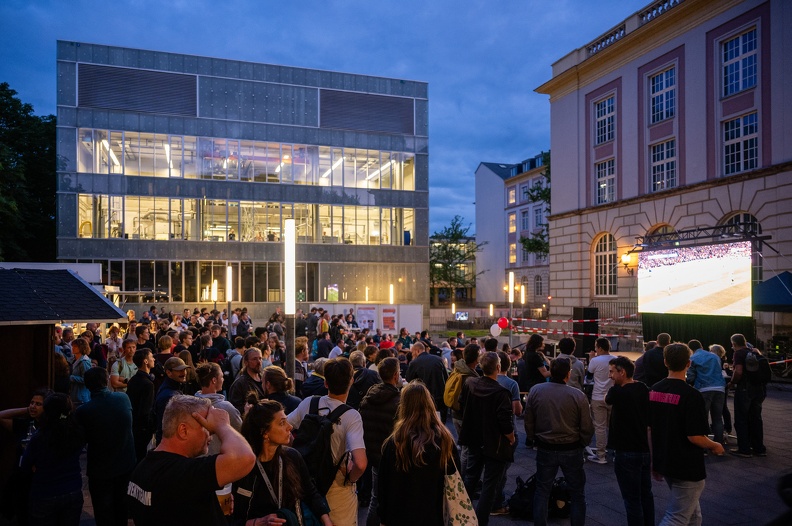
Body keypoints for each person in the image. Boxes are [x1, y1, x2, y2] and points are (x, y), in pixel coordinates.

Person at [127, 395, 256, 525]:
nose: (211, 435)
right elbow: (245, 457)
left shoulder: (141, 469)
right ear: (183, 430)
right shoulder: (183, 474)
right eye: (206, 427)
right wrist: (222, 425)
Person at [649, 343, 725, 525]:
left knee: (693, 515)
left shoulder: (654, 390)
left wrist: (654, 460)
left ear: (665, 362)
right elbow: (695, 436)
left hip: (665, 461)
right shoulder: (691, 396)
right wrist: (715, 445)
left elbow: (650, 428)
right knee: (677, 517)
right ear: (689, 364)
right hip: (687, 465)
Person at [287, 358, 367, 526]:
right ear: (351, 381)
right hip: (337, 489)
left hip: (306, 485)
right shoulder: (351, 416)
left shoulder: (309, 402)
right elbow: (360, 463)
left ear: (325, 383)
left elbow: (284, 428)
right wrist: (350, 480)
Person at [234, 400, 333, 526]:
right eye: (282, 423)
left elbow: (311, 493)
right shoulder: (243, 467)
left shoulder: (292, 457)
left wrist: (326, 519)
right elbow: (230, 518)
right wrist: (257, 522)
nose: (290, 426)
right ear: (265, 433)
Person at [377, 381, 461, 526]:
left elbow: (383, 485)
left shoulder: (395, 442)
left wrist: (383, 517)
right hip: (434, 514)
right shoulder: (444, 440)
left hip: (399, 515)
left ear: (404, 406)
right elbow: (455, 478)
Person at [524, 357, 593, 526]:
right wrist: (583, 443)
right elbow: (586, 426)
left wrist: (532, 438)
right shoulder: (578, 395)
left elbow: (528, 419)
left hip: (545, 446)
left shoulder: (536, 390)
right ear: (568, 374)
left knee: (542, 490)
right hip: (571, 447)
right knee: (577, 493)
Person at [459, 351, 516, 526]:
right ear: (498, 368)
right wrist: (511, 438)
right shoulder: (501, 392)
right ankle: (480, 521)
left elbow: (462, 404)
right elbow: (505, 423)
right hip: (495, 444)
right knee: (489, 486)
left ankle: (462, 515)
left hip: (474, 438)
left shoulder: (470, 383)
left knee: (470, 477)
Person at [74, 367, 136, 526]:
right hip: (125, 462)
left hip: (101, 468)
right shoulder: (123, 398)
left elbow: (81, 439)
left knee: (103, 511)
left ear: (87, 386)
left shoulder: (84, 411)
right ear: (107, 379)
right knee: (121, 506)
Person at [20, 393, 85, 526]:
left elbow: (25, 465)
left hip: (45, 493)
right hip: (73, 490)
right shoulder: (77, 432)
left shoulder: (40, 436)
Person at [606, 356, 653, 526]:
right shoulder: (642, 388)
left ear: (622, 372)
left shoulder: (616, 392)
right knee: (646, 495)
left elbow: (607, 399)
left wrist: (615, 385)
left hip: (625, 452)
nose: (610, 376)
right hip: (644, 450)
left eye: (612, 372)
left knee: (631, 499)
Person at [359, 357, 402, 526]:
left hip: (374, 457)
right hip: (393, 458)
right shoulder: (399, 402)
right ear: (396, 375)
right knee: (395, 499)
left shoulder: (368, 398)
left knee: (376, 499)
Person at [0, 389, 48, 525]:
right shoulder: (25, 424)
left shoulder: (49, 428)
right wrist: (27, 410)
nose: (33, 406)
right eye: (32, 402)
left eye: (38, 404)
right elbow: (1, 416)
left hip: (40, 480)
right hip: (22, 478)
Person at [727, 333, 767, 457]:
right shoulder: (754, 351)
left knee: (741, 419)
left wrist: (732, 382)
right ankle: (759, 448)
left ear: (734, 344)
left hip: (745, 389)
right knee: (756, 418)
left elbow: (738, 372)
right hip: (759, 388)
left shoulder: (739, 353)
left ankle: (744, 449)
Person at [194, 362, 242, 456]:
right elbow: (242, 433)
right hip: (221, 461)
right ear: (214, 380)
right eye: (222, 376)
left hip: (198, 462)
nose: (223, 379)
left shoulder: (192, 407)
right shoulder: (226, 408)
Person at [687, 339, 726, 447]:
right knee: (717, 418)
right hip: (719, 388)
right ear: (701, 346)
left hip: (704, 389)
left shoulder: (693, 358)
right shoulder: (715, 356)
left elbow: (691, 377)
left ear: (690, 349)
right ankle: (718, 444)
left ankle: (703, 446)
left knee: (702, 418)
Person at [405, 341, 449, 422]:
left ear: (417, 351)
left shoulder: (414, 363)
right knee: (440, 424)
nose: (412, 355)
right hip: (441, 398)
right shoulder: (438, 359)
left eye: (412, 352)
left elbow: (409, 379)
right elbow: (446, 378)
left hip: (424, 399)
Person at [587, 337, 614, 464]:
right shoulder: (615, 360)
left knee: (600, 427)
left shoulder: (595, 360)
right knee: (612, 426)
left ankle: (601, 455)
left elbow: (588, 378)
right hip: (613, 397)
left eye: (596, 347)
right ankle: (614, 452)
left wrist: (591, 359)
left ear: (600, 348)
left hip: (598, 396)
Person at [127, 348, 156, 463]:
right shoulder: (147, 384)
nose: (154, 359)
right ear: (145, 361)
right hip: (143, 429)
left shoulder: (134, 380)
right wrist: (150, 428)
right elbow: (146, 410)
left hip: (134, 425)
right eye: (151, 357)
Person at [153, 356, 188, 444]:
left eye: (184, 369)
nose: (184, 373)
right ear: (169, 373)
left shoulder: (174, 388)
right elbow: (164, 427)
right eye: (179, 370)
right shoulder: (169, 396)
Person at [228, 347, 267, 413]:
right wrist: (258, 405)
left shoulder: (265, 379)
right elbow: (235, 409)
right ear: (246, 362)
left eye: (260, 358)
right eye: (254, 359)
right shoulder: (240, 383)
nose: (259, 362)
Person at [69, 338, 93, 407]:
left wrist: (71, 377)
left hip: (81, 397)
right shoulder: (73, 359)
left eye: (75, 346)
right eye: (73, 346)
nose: (73, 348)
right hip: (74, 394)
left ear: (81, 348)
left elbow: (86, 379)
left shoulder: (84, 362)